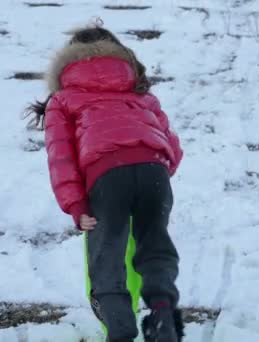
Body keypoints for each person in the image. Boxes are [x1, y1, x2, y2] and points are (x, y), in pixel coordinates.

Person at [26, 25, 184, 342]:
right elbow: (172, 147)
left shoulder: (63, 99)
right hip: (154, 171)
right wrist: (155, 174)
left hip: (107, 176)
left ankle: (120, 329)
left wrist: (77, 204)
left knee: (106, 257)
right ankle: (163, 313)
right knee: (154, 246)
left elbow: (62, 158)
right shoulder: (140, 94)